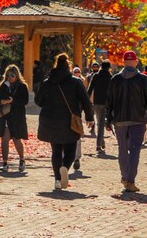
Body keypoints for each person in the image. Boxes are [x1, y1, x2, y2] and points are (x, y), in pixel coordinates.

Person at [35, 53, 93, 191]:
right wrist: (90, 117)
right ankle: (65, 168)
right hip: (69, 120)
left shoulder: (46, 82)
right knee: (70, 151)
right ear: (68, 65)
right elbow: (85, 101)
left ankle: (57, 180)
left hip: (50, 120)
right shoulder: (75, 82)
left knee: (56, 151)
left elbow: (38, 101)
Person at [108, 50, 147, 192]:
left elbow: (110, 101)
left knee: (122, 149)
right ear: (136, 62)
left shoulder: (115, 79)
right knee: (135, 150)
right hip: (138, 119)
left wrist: (108, 119)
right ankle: (130, 180)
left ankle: (124, 176)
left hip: (119, 120)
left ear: (124, 62)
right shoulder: (142, 79)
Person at [0, 64, 29, 172]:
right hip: (6, 116)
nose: (10, 77)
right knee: (4, 139)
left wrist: (13, 101)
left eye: (12, 75)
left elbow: (25, 101)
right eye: (8, 75)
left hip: (17, 116)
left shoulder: (22, 86)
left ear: (17, 75)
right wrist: (2, 101)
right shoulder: (3, 85)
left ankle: (22, 159)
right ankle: (4, 162)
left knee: (16, 140)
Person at [87, 61, 113, 155]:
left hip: (97, 103)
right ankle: (98, 145)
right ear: (109, 67)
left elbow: (90, 89)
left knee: (100, 123)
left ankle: (101, 142)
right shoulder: (110, 77)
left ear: (101, 67)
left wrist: (86, 101)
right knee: (101, 124)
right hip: (107, 103)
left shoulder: (96, 76)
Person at [71, 66, 85, 172]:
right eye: (75, 72)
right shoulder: (69, 82)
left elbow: (84, 98)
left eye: (78, 72)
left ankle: (76, 158)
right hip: (71, 111)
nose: (76, 73)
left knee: (77, 134)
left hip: (77, 113)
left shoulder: (81, 81)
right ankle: (72, 157)